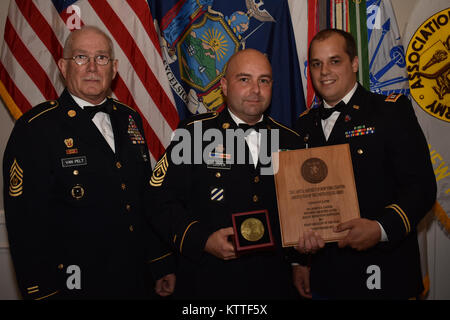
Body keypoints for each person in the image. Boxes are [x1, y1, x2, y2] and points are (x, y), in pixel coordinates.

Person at [3, 26, 174, 299]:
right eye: (81, 57)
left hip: (136, 280)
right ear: (63, 66)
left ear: (114, 67)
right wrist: (42, 293)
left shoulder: (130, 119)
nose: (93, 67)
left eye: (102, 58)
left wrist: (160, 262)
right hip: (76, 286)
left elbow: (143, 199)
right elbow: (26, 224)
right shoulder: (36, 129)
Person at [293, 29, 437, 299]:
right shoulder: (302, 126)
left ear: (355, 64)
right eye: (316, 64)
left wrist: (380, 228)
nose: (324, 71)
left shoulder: (390, 111)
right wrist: (299, 261)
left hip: (384, 269)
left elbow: (422, 188)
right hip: (326, 277)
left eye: (335, 61)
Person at [148, 48, 302, 299]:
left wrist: (301, 257)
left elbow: (299, 211)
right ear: (224, 86)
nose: (255, 89)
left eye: (264, 80)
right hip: (209, 281)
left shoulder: (291, 140)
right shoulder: (194, 135)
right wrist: (201, 239)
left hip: (273, 282)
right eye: (244, 79)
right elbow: (158, 199)